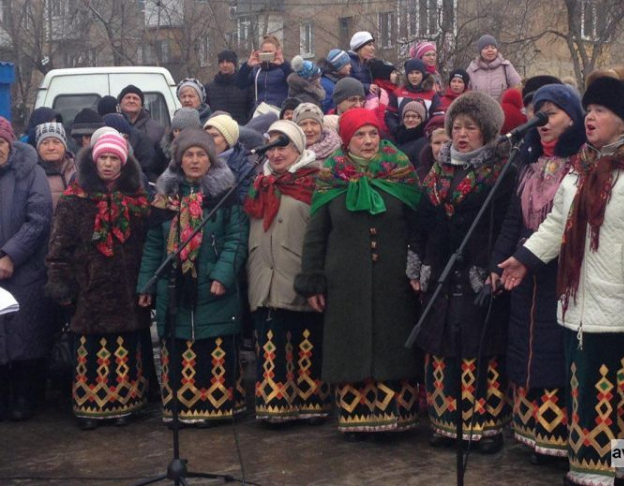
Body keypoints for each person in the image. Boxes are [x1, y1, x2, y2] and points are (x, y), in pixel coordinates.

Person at [499, 76, 624, 486]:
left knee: (620, 402)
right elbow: (557, 221)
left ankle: (623, 475)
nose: (589, 118)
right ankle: (587, 473)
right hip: (576, 307)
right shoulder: (581, 165)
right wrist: (524, 259)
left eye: (601, 111)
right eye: (588, 110)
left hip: (622, 307)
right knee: (586, 402)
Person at [294, 108, 422, 439]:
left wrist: (418, 267)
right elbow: (316, 233)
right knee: (349, 344)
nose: (367, 141)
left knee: (392, 343)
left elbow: (418, 226)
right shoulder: (331, 175)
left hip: (393, 279)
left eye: (373, 134)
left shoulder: (401, 171)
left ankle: (398, 417)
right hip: (344, 280)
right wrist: (313, 280)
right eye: (359, 136)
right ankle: (354, 419)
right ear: (347, 141)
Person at [408, 91, 516, 454]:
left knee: (478, 347)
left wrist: (494, 268)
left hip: (480, 270)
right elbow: (421, 222)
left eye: (470, 127)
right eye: (456, 127)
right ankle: (446, 422)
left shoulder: (502, 171)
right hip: (441, 269)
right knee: (441, 346)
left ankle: (483, 427)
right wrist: (417, 262)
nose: (462, 133)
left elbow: (506, 225)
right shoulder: (439, 168)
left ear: (486, 131)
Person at [490, 84, 586, 465]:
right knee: (526, 343)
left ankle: (557, 438)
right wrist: (499, 263)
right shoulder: (527, 164)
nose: (542, 121)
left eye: (552, 113)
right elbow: (513, 219)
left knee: (552, 346)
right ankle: (532, 434)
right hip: (524, 267)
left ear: (573, 118)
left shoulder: (579, 164)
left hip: (560, 268)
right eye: (538, 113)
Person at [137, 129, 249, 427]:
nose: (195, 160)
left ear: (211, 160)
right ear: (179, 160)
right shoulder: (165, 199)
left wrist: (223, 275)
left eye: (201, 154)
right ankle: (182, 409)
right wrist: (147, 283)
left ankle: (219, 407)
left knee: (213, 346)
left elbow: (236, 238)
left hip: (213, 284)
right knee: (179, 343)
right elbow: (153, 245)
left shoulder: (225, 194)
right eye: (189, 154)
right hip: (174, 285)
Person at [45, 131, 151, 430]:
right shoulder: (74, 198)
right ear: (93, 161)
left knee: (125, 346)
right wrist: (60, 280)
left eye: (113, 159)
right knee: (90, 348)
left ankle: (125, 405)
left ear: (123, 163)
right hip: (88, 286)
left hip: (126, 286)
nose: (107, 164)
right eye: (102, 158)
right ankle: (90, 406)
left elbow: (147, 243)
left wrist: (146, 283)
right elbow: (60, 244)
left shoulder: (137, 199)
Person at [245, 120, 329, 423]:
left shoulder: (315, 181)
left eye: (284, 146)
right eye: (272, 146)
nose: (277, 153)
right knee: (271, 340)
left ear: (299, 148)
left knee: (304, 340)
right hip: (263, 274)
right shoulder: (259, 182)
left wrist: (315, 278)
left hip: (298, 273)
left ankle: (310, 403)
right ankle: (276, 405)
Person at [0, 117, 54, 422]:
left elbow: (39, 218)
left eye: (1, 143)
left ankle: (24, 397)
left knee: (24, 336)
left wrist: (10, 256)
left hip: (24, 271)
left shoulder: (30, 173)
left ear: (10, 144)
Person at [237, 35, 293, 114]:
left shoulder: (283, 68)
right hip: (259, 111)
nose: (267, 54)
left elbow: (293, 82)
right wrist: (247, 66)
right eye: (265, 52)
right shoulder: (257, 70)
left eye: (270, 52)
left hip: (279, 111)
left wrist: (283, 65)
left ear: (277, 52)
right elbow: (240, 84)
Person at [203, 114, 253, 202]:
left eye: (214, 135)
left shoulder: (244, 169)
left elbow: (243, 203)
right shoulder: (196, 161)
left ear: (228, 140)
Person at [386, 58, 441, 135]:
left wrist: (429, 132)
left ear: (423, 74)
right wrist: (396, 130)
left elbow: (437, 117)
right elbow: (390, 115)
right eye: (411, 73)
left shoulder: (432, 94)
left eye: (417, 73)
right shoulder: (398, 93)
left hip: (424, 136)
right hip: (402, 136)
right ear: (407, 75)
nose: (414, 76)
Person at [466, 34, 522, 100]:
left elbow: (518, 87)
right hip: (479, 109)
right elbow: (465, 93)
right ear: (480, 51)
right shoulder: (472, 69)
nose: (490, 50)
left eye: (493, 47)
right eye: (486, 48)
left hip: (502, 109)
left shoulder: (506, 66)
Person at [35, 122, 76, 211]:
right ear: (38, 149)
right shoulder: (32, 174)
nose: (51, 147)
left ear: (65, 146)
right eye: (45, 143)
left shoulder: (77, 169)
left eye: (56, 142)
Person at [204, 50, 253, 125]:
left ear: (234, 64)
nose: (225, 65)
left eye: (228, 62)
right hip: (217, 128)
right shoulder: (209, 88)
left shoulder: (245, 86)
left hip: (241, 129)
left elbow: (251, 110)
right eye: (222, 62)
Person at [153, 107, 202, 178]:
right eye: (175, 130)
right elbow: (153, 171)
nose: (177, 134)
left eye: (181, 130)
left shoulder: (203, 149)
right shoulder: (163, 147)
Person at [117, 84, 165, 149]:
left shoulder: (157, 130)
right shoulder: (112, 126)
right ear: (120, 103)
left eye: (135, 98)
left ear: (141, 105)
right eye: (128, 98)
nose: (131, 101)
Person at [392, 100, 428, 167]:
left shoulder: (424, 141)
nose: (410, 119)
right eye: (407, 116)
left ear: (421, 119)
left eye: (414, 116)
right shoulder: (396, 137)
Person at [416, 115, 448, 181]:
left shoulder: (465, 172)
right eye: (437, 143)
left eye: (447, 142)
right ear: (430, 144)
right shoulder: (420, 175)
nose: (442, 148)